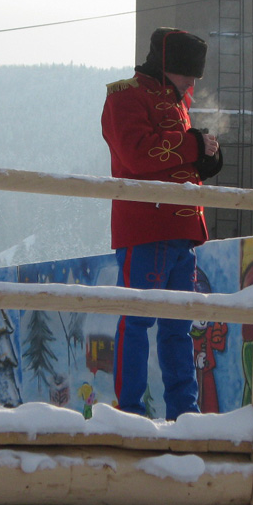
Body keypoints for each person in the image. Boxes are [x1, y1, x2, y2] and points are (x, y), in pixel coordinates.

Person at [101, 27, 223, 420]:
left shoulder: (175, 101)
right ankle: (130, 413)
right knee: (137, 321)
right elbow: (138, 153)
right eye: (188, 74)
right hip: (146, 228)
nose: (191, 83)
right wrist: (192, 146)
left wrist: (205, 158)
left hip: (180, 234)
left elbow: (172, 157)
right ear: (170, 66)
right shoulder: (124, 96)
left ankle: (183, 415)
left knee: (177, 329)